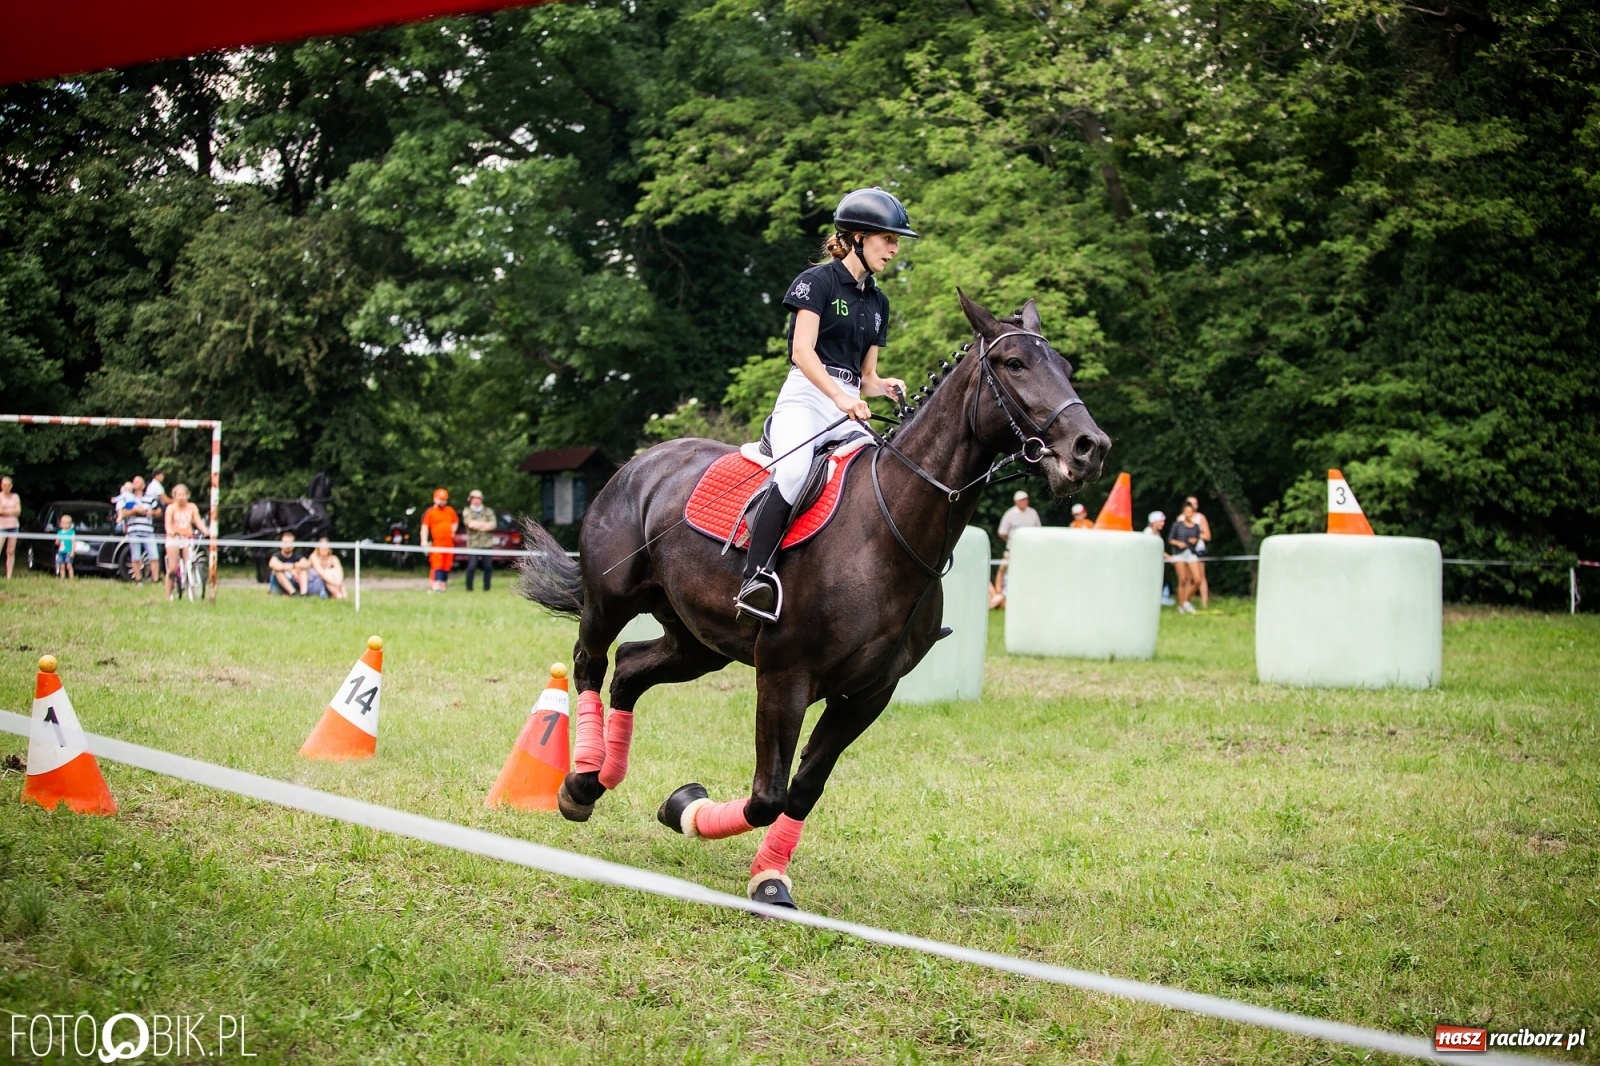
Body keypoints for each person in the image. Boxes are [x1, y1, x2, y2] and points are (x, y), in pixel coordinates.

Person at [735, 187, 913, 622]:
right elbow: (802, 352)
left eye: (895, 242)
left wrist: (884, 386)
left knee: (882, 476)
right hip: (806, 398)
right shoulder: (816, 282)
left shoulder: (878, 302)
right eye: (887, 239)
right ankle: (755, 577)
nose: (894, 249)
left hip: (846, 404)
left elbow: (865, 377)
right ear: (856, 236)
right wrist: (839, 397)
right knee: (794, 470)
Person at [989, 489, 1043, 609]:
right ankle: (1002, 596)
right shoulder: (1010, 514)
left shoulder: (1032, 512)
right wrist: (1013, 541)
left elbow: (1039, 529)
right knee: (1004, 570)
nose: (1025, 502)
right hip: (1012, 550)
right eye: (1022, 500)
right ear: (1016, 502)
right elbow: (1002, 532)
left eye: (1026, 499)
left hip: (1030, 551)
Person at [162, 484, 210, 598]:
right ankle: (168, 594)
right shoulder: (171, 508)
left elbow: (197, 521)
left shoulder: (192, 507)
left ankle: (190, 586)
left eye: (183, 495)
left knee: (188, 561)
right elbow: (168, 523)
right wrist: (170, 531)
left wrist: (205, 530)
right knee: (172, 567)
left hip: (187, 538)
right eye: (179, 495)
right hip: (174, 538)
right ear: (174, 496)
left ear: (187, 495)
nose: (181, 497)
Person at [123, 475, 160, 584]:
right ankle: (138, 580)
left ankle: (155, 579)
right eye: (134, 481)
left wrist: (150, 512)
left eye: (138, 481)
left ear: (143, 485)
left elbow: (158, 512)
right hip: (134, 531)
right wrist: (135, 511)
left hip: (148, 531)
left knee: (154, 556)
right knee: (135, 557)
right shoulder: (128, 498)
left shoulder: (150, 499)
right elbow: (123, 513)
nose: (135, 483)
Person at [420, 488, 459, 592]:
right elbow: (424, 527)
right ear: (435, 499)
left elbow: (455, 521)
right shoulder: (430, 512)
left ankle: (443, 584)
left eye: (444, 499)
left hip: (449, 543)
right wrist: (423, 541)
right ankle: (436, 584)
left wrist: (453, 531)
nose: (442, 501)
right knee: (437, 563)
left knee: (447, 564)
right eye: (440, 499)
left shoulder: (450, 510)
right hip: (437, 542)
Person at [1168, 501, 1203, 614]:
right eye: (1186, 512)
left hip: (1191, 553)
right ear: (1183, 513)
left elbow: (1197, 539)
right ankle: (1181, 605)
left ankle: (1186, 601)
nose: (1188, 514)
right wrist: (1178, 543)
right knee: (1183, 580)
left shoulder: (1196, 527)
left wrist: (1195, 540)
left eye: (1190, 512)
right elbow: (1170, 539)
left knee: (1198, 579)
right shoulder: (1177, 525)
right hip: (1179, 554)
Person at [461, 489, 496, 592]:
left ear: (481, 499)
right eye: (474, 498)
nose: (476, 501)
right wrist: (485, 524)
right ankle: (469, 589)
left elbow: (493, 525)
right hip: (473, 544)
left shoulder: (488, 511)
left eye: (478, 498)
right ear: (470, 500)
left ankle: (487, 589)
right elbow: (470, 524)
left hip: (487, 544)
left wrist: (478, 525)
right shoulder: (467, 511)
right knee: (471, 567)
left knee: (488, 567)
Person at [1185, 495, 1212, 609]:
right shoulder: (1181, 518)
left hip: (1198, 550)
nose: (1194, 506)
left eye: (1196, 504)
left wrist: (1196, 536)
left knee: (1201, 577)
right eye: (1192, 503)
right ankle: (1185, 603)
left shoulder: (1200, 517)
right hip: (1186, 550)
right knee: (1187, 577)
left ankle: (1204, 603)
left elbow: (1207, 536)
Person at [0, 475, 20, 579]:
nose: (6, 487)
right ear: (1, 485)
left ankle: (9, 576)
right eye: (4, 485)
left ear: (11, 486)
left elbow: (18, 511)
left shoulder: (15, 496)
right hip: (1, 526)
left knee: (11, 551)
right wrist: (12, 511)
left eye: (8, 485)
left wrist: (5, 511)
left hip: (14, 526)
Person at [54, 514, 75, 580]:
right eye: (63, 522)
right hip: (61, 552)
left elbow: (73, 542)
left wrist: (72, 551)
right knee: (62, 566)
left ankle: (71, 578)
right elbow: (57, 542)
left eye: (67, 523)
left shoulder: (72, 532)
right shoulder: (59, 532)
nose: (65, 524)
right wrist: (57, 542)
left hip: (68, 552)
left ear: (70, 524)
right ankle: (62, 578)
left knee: (69, 566)